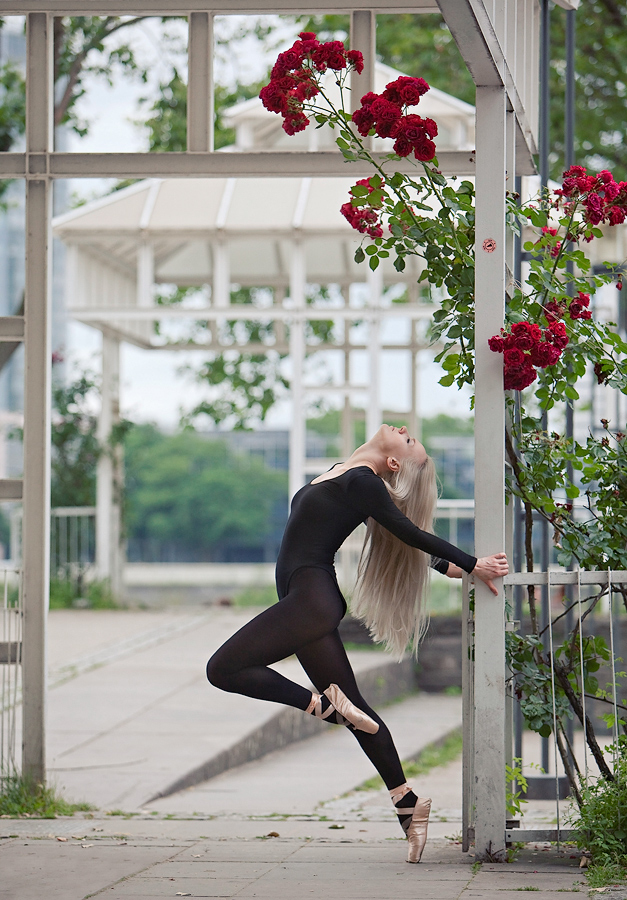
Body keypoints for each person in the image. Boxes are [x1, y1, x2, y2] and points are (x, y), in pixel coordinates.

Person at [207, 424, 508, 863]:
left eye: (408, 442)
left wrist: (470, 563)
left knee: (223, 669)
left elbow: (406, 532)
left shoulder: (364, 481)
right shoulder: (343, 473)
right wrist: (445, 566)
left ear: (392, 463)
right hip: (304, 600)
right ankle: (409, 807)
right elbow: (393, 536)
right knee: (360, 712)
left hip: (312, 602)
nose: (404, 431)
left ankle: (322, 707)